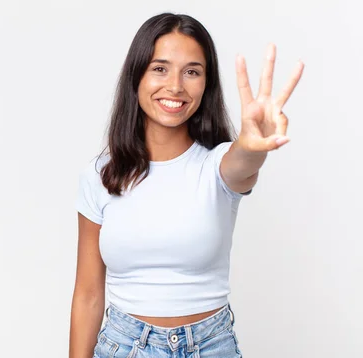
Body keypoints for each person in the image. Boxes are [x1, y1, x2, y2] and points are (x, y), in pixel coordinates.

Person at [69, 12, 304, 358]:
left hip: (211, 346)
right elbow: (88, 293)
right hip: (125, 346)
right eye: (160, 68)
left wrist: (254, 145)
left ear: (206, 84)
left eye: (192, 71)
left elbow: (242, 163)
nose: (176, 86)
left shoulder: (217, 165)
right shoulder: (101, 174)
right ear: (137, 75)